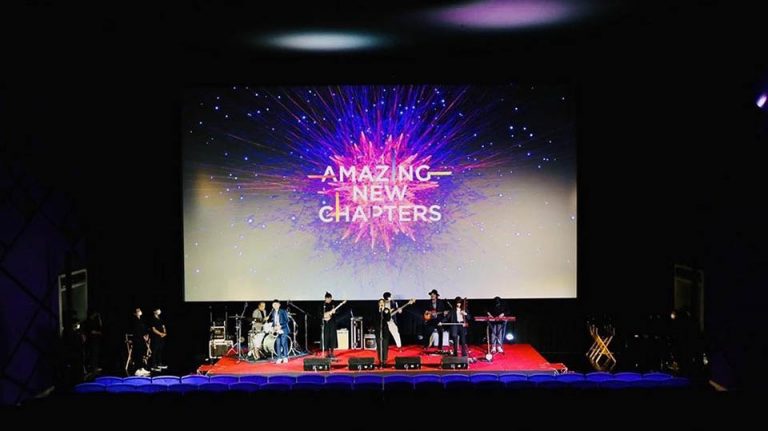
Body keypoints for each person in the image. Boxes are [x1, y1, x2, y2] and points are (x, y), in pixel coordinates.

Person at [268, 299, 291, 363]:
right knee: (278, 344)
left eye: (276, 304)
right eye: (274, 304)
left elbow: (287, 320)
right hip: (277, 330)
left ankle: (285, 357)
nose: (275, 305)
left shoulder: (283, 311)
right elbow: (274, 322)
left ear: (279, 305)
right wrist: (273, 328)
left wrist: (281, 326)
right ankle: (279, 358)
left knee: (284, 343)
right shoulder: (273, 312)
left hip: (283, 329)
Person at [129, 307, 150, 376]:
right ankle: (136, 370)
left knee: (141, 354)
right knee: (137, 354)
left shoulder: (141, 319)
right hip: (137, 339)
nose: (139, 311)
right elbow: (137, 330)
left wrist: (146, 335)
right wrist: (143, 336)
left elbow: (144, 329)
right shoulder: (134, 320)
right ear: (135, 313)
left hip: (142, 339)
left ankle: (141, 368)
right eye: (138, 311)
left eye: (140, 310)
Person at [82, 309, 103, 374]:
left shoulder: (95, 321)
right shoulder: (88, 321)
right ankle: (93, 368)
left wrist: (99, 318)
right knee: (93, 354)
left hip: (95, 340)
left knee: (95, 354)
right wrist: (97, 332)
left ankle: (94, 367)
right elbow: (91, 331)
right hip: (92, 340)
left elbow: (100, 326)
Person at [320, 292, 340, 358]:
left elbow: (338, 311)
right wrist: (324, 316)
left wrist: (335, 312)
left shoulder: (334, 304)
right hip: (325, 323)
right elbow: (319, 313)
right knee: (326, 337)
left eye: (330, 298)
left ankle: (332, 352)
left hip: (332, 323)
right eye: (327, 299)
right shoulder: (323, 305)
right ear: (325, 298)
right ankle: (327, 352)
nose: (329, 300)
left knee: (332, 337)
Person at [374, 299, 392, 368]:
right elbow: (374, 319)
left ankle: (384, 360)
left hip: (385, 331)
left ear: (384, 304)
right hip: (378, 331)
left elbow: (388, 319)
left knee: (385, 346)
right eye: (380, 302)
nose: (381, 304)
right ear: (378, 304)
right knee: (379, 346)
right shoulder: (376, 311)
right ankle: (380, 360)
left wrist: (385, 312)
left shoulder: (386, 310)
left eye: (382, 302)